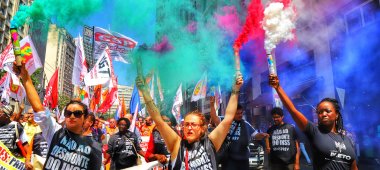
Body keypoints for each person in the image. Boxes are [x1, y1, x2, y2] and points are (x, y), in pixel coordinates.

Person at [136, 73, 243, 169]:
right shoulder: (176, 144)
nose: (189, 127)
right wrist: (145, 92)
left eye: (193, 124)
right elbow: (158, 120)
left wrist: (235, 89)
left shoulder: (211, 143)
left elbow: (228, 119)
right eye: (186, 124)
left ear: (202, 128)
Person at [18, 63, 102, 170]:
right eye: (68, 113)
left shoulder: (94, 147)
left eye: (77, 113)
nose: (72, 116)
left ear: (85, 118)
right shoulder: (56, 132)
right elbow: (39, 108)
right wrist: (25, 76)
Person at [269, 74, 358, 170]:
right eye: (320, 112)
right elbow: (293, 111)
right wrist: (278, 87)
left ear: (336, 115)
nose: (323, 114)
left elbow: (354, 167)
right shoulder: (315, 132)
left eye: (327, 111)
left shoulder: (347, 140)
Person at [218, 104, 269, 170]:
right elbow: (215, 119)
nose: (240, 115)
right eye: (237, 113)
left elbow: (255, 135)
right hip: (229, 160)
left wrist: (262, 135)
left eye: (241, 113)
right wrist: (211, 105)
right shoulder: (226, 122)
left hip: (243, 159)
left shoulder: (245, 124)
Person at [0, 104, 32, 169]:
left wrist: (29, 160)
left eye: (1, 113)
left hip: (11, 163)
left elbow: (25, 145)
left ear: (6, 116)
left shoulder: (16, 126)